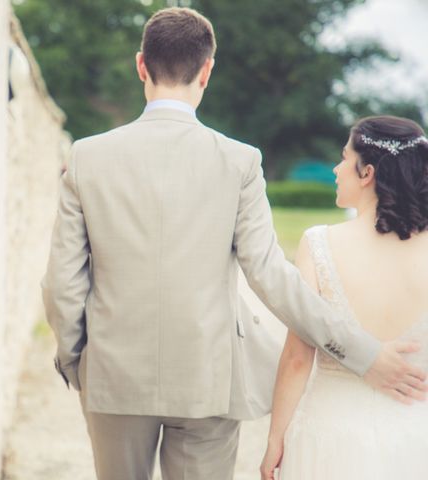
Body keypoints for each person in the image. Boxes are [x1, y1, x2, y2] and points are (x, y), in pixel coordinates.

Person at [42, 7, 426, 480]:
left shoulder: (86, 157)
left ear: (141, 64)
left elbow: (62, 281)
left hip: (114, 375)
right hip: (209, 380)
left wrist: (77, 358)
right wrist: (363, 355)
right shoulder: (240, 162)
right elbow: (273, 278)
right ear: (207, 70)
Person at [261, 116, 428, 480]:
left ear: (366, 172)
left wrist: (275, 438)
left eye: (342, 157)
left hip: (330, 437)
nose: (336, 169)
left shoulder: (320, 243)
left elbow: (296, 359)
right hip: (416, 440)